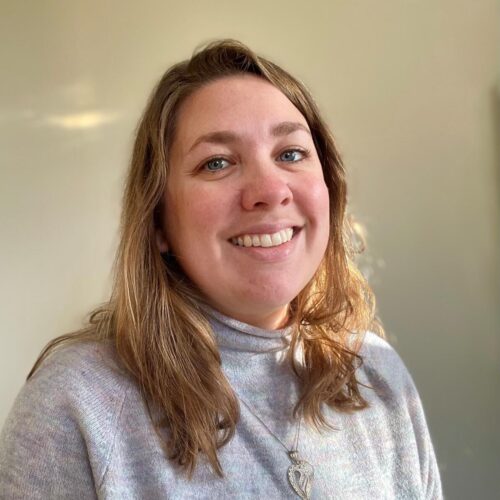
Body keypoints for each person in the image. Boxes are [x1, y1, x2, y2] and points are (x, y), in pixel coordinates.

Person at [0, 39, 442, 499]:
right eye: (217, 163)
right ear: (158, 222)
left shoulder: (378, 373)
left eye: (290, 153)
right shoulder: (76, 405)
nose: (269, 190)